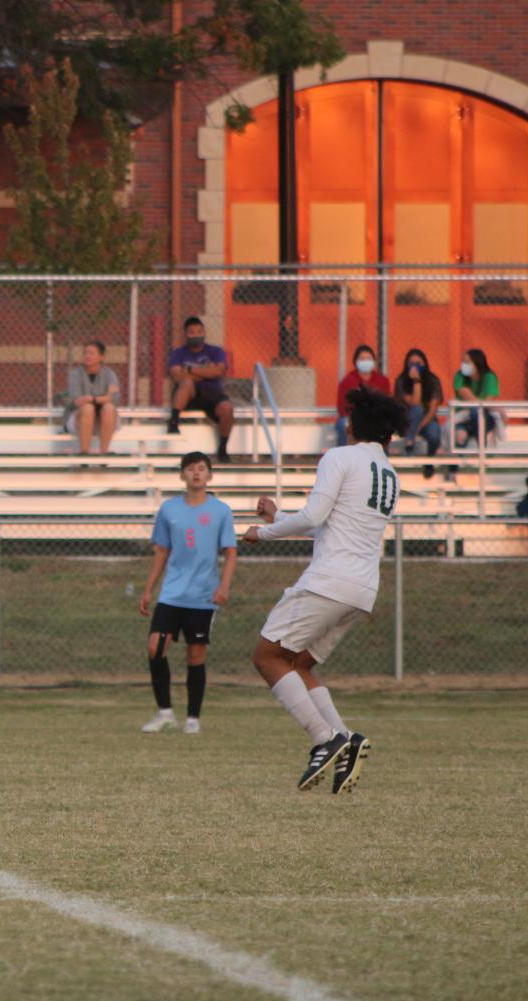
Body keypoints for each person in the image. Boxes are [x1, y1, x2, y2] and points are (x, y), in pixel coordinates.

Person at [242, 387, 409, 796]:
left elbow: (315, 516)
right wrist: (279, 514)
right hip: (362, 588)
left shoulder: (339, 457)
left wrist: (262, 532)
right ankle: (345, 739)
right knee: (298, 664)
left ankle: (324, 738)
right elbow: (330, 524)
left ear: (355, 424)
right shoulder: (388, 474)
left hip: (328, 581)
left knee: (267, 656)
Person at [137, 452, 237, 734]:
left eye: (201, 469)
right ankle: (165, 712)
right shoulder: (169, 510)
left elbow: (230, 552)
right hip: (171, 594)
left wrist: (224, 587)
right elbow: (162, 552)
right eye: (190, 469)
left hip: (202, 596)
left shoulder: (221, 511)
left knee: (195, 655)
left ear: (209, 475)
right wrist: (148, 589)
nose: (196, 473)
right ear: (182, 474)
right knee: (156, 647)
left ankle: (193, 718)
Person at [166, 317, 234, 463]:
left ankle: (222, 449)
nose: (196, 335)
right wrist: (206, 372)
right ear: (185, 334)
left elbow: (219, 372)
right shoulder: (178, 353)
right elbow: (177, 375)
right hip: (189, 395)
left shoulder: (215, 351)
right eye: (192, 332)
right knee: (187, 382)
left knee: (227, 408)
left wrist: (190, 369)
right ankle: (173, 422)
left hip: (211, 393)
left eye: (199, 331)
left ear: (204, 333)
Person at [448, 349, 500, 481]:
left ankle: (482, 458)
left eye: (467, 362)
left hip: (482, 419)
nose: (463, 365)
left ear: (477, 363)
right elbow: (469, 397)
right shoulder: (459, 376)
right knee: (460, 433)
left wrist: (488, 405)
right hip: (464, 418)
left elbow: (485, 405)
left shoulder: (489, 377)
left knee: (477, 414)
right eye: (463, 361)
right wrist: (495, 407)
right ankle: (453, 471)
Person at [393, 348, 443, 479]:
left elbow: (433, 410)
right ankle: (410, 441)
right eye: (411, 363)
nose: (415, 366)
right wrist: (416, 381)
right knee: (418, 409)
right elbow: (414, 403)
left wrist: (417, 428)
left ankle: (429, 462)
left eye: (418, 363)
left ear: (425, 364)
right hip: (407, 421)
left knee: (434, 433)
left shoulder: (433, 380)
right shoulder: (402, 380)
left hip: (425, 421)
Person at [64, 340, 121, 455]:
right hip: (78, 419)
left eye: (91, 353)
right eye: (85, 353)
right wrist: (104, 397)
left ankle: (104, 454)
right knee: (87, 409)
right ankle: (84, 454)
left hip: (103, 420)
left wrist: (92, 399)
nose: (87, 356)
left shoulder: (109, 374)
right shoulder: (75, 374)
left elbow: (115, 398)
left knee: (109, 408)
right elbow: (77, 401)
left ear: (101, 357)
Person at [334, 344, 391, 447]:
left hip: (375, 418)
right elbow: (342, 406)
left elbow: (387, 405)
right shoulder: (347, 381)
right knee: (343, 424)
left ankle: (381, 459)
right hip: (353, 418)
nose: (365, 361)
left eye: (368, 358)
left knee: (383, 426)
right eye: (362, 359)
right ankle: (344, 457)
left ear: (374, 361)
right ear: (355, 361)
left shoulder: (382, 381)